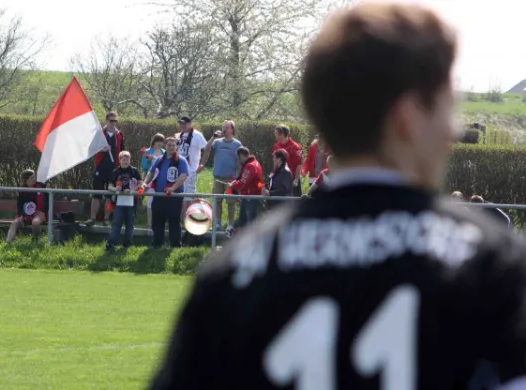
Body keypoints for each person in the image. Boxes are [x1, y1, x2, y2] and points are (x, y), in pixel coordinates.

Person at [149, 3, 526, 389]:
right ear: (407, 117)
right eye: (447, 107)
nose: (453, 129)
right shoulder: (491, 265)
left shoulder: (233, 272)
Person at [142, 137, 189, 248]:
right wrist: (145, 183)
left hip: (174, 197)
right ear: (165, 146)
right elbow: (151, 172)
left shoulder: (181, 160)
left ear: (176, 146)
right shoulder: (159, 159)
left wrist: (173, 188)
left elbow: (183, 175)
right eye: (169, 145)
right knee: (157, 222)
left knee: (174, 222)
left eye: (173, 145)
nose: (171, 147)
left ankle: (175, 245)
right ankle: (157, 244)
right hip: (159, 196)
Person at [199, 120, 242, 235]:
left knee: (230, 202)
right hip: (217, 177)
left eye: (227, 127)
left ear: (232, 129)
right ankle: (217, 223)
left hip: (230, 179)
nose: (224, 129)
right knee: (217, 201)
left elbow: (239, 162)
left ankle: (230, 224)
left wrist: (238, 178)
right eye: (223, 127)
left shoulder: (237, 144)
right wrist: (213, 138)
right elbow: (206, 149)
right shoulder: (217, 142)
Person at [84, 111, 126, 226]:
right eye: (111, 121)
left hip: (114, 168)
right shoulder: (100, 133)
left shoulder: (119, 135)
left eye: (115, 121)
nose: (113, 123)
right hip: (101, 167)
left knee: (109, 194)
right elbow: (90, 148)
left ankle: (106, 219)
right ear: (106, 121)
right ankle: (92, 218)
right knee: (96, 193)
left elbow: (123, 151)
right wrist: (100, 149)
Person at [106, 151, 143, 252]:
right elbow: (109, 186)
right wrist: (116, 189)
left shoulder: (134, 171)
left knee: (130, 224)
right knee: (116, 223)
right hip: (119, 202)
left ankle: (127, 244)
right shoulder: (115, 172)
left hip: (132, 202)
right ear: (120, 160)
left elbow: (140, 184)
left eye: (128, 159)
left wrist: (132, 191)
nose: (126, 161)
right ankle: (111, 244)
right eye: (124, 159)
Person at [176, 116, 207, 218]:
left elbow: (207, 149)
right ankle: (178, 219)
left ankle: (187, 220)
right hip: (178, 170)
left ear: (190, 124)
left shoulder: (197, 135)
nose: (183, 125)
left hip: (191, 170)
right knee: (178, 195)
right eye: (181, 123)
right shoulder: (178, 136)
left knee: (188, 197)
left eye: (185, 123)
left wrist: (202, 164)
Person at [6, 169, 48, 243]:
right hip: (25, 214)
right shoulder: (22, 190)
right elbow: (20, 205)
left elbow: (47, 202)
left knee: (35, 223)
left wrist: (43, 212)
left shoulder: (41, 187)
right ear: (26, 180)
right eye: (32, 178)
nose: (34, 179)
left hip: (38, 213)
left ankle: (36, 240)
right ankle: (8, 243)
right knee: (14, 223)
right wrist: (21, 215)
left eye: (35, 177)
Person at [229, 146, 263, 230]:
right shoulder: (255, 163)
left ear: (241, 155)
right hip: (250, 196)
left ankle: (251, 241)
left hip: (250, 197)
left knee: (248, 223)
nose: (238, 160)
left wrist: (233, 185)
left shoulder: (250, 166)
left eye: (238, 157)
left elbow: (243, 183)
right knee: (244, 222)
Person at [141, 133, 166, 231]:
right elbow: (144, 166)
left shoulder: (164, 152)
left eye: (161, 141)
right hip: (150, 180)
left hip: (162, 180)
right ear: (154, 142)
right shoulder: (147, 151)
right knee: (150, 202)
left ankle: (160, 223)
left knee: (162, 202)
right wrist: (149, 160)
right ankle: (149, 223)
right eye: (158, 141)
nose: (160, 143)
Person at [272, 124, 303, 197]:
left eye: (276, 133)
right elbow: (275, 162)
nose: (275, 135)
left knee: (294, 203)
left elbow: (299, 164)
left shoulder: (295, 147)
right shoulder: (276, 146)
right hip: (280, 178)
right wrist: (274, 174)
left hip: (291, 179)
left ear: (282, 134)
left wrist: (296, 179)